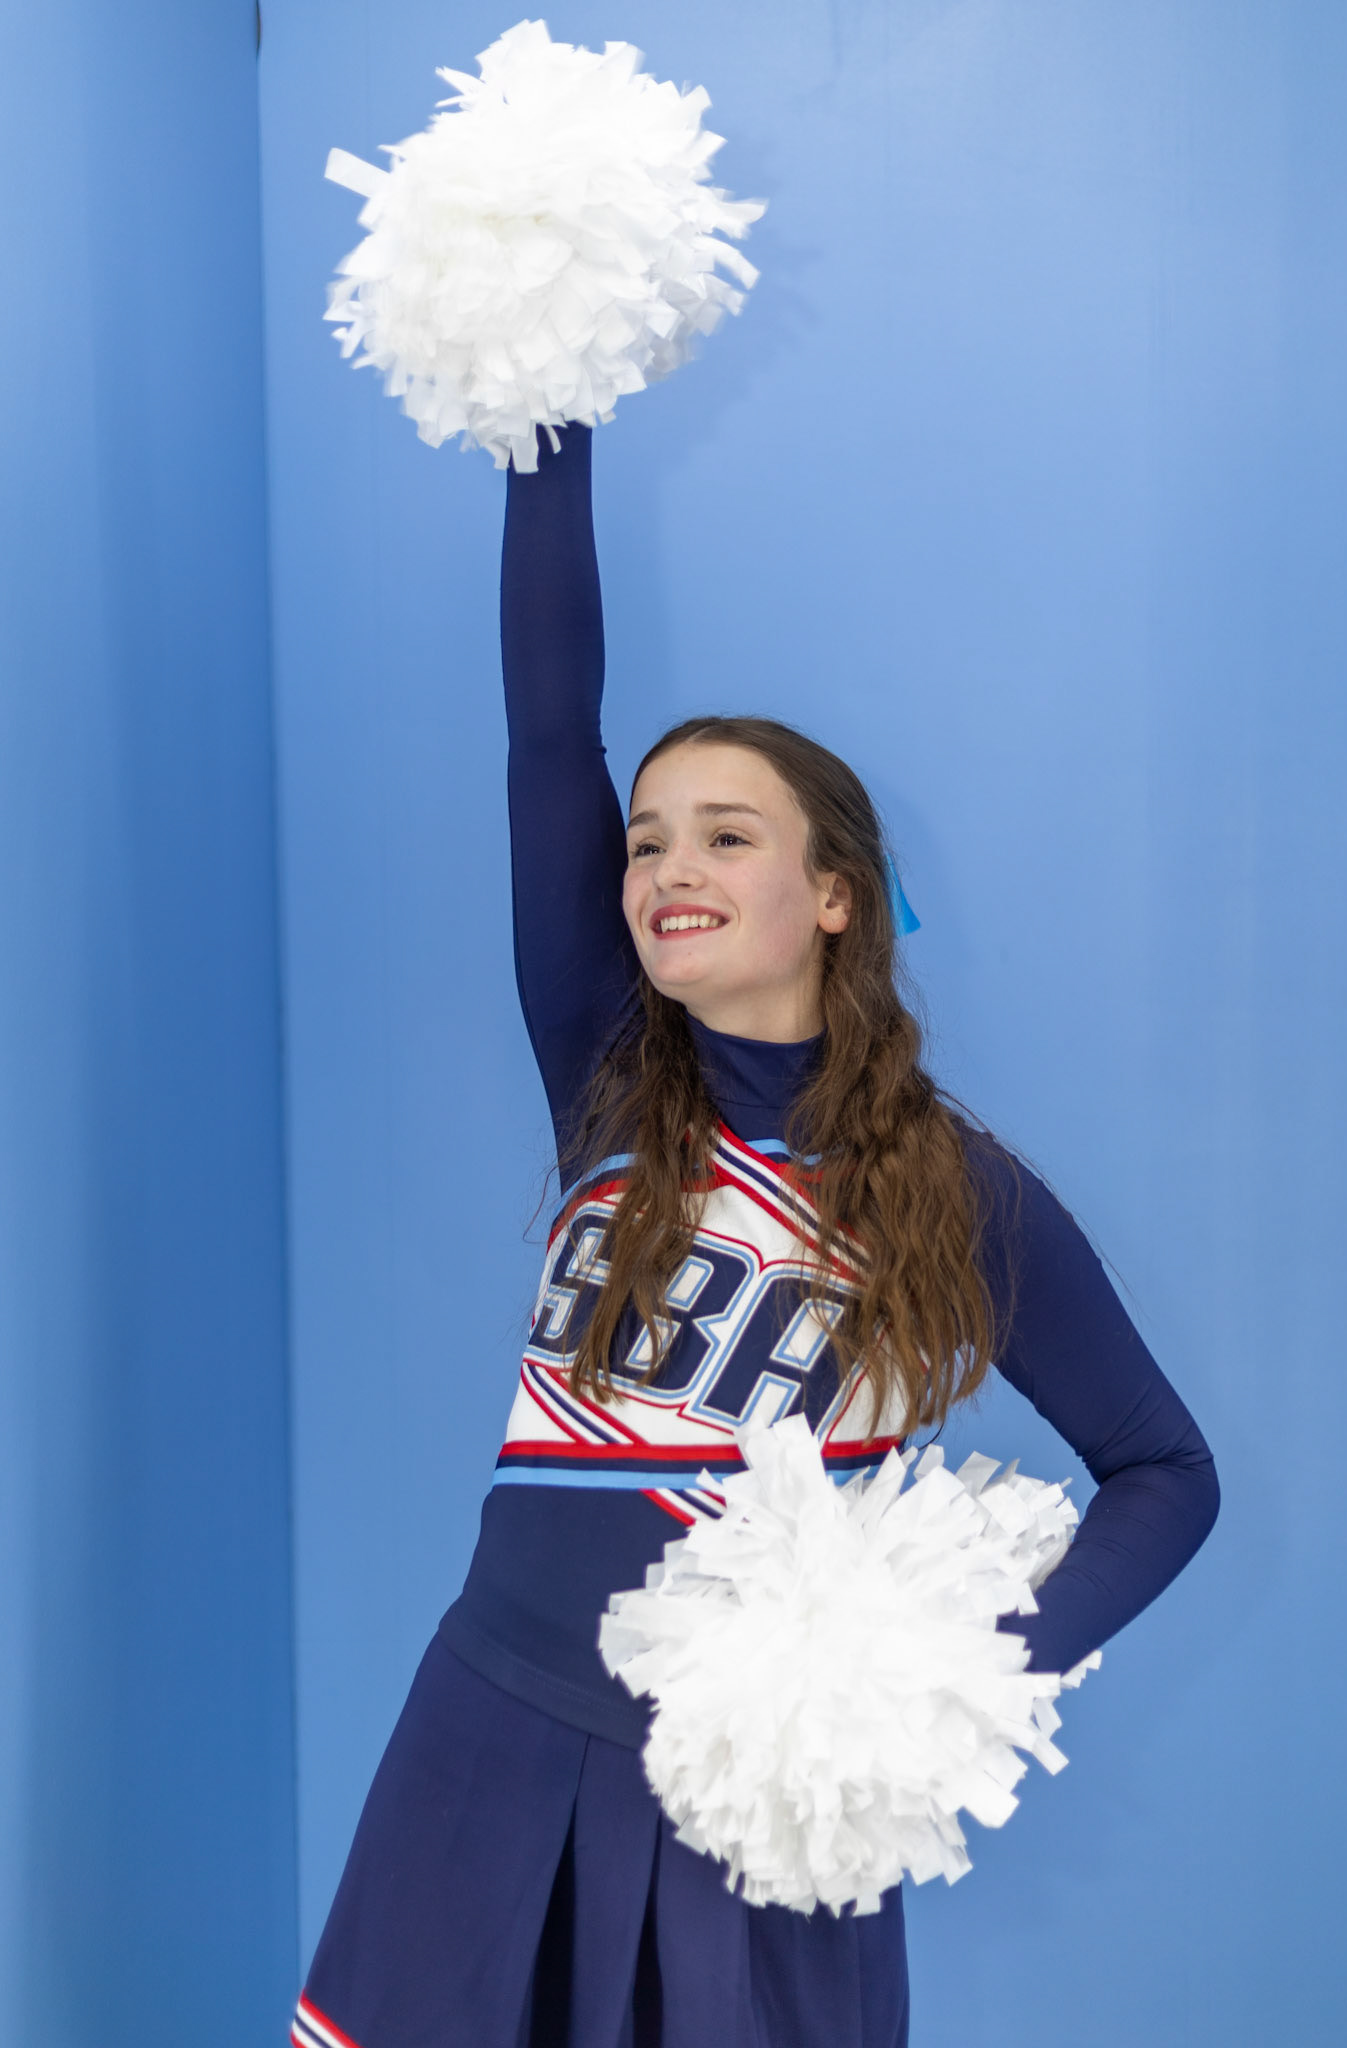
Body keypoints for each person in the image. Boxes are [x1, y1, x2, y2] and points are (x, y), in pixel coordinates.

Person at [290, 424, 1219, 2048]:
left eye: (726, 835)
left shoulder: (957, 1190)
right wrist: (546, 419)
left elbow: (1166, 1471)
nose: (663, 866)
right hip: (491, 1720)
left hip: (756, 1790)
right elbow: (543, 729)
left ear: (835, 895)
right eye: (647, 839)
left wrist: (952, 1675)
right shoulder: (603, 1071)